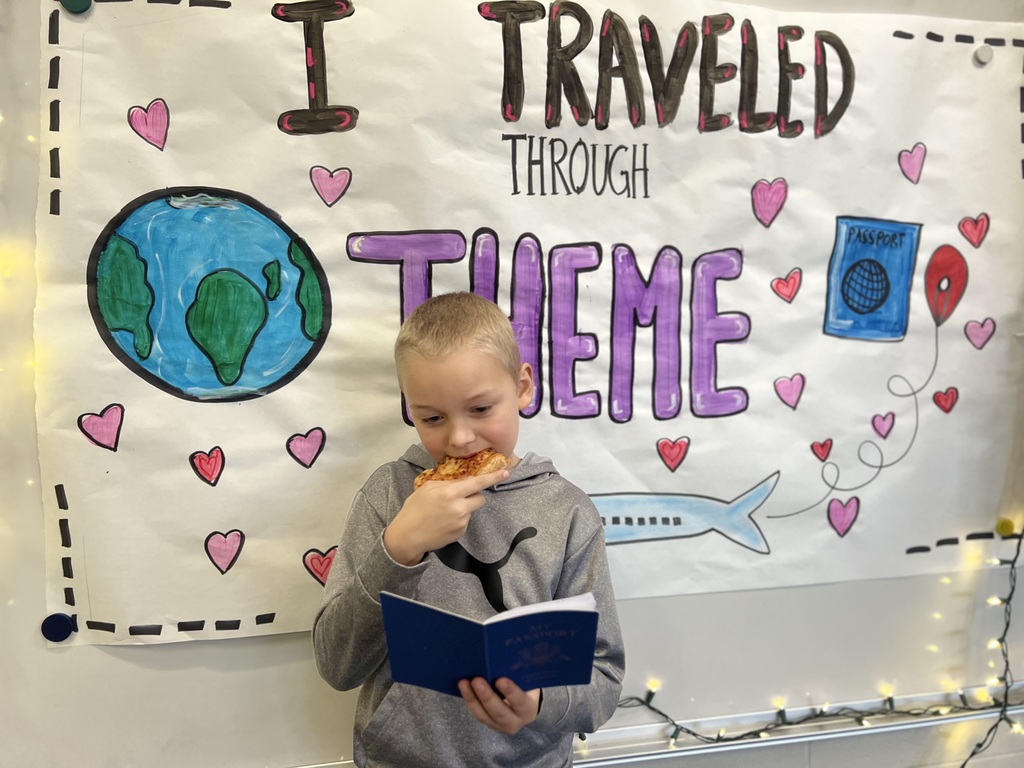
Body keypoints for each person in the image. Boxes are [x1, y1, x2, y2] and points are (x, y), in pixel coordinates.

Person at [313, 291, 625, 767]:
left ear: (522, 387)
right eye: (432, 418)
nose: (459, 438)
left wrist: (538, 704)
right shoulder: (389, 495)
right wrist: (398, 549)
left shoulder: (568, 513)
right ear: (410, 409)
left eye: (481, 409)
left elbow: (602, 682)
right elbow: (337, 666)